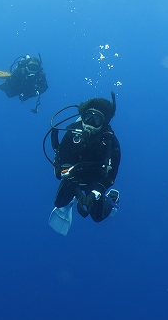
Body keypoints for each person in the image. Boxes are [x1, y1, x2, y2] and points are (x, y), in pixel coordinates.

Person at [46, 93, 121, 234]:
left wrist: (92, 195)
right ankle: (74, 199)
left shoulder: (111, 144)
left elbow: (110, 177)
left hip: (95, 181)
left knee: (97, 217)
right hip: (73, 176)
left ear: (104, 122)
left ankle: (112, 199)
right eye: (88, 117)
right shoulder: (71, 133)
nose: (90, 123)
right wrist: (79, 195)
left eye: (96, 119)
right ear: (83, 115)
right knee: (59, 203)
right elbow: (64, 167)